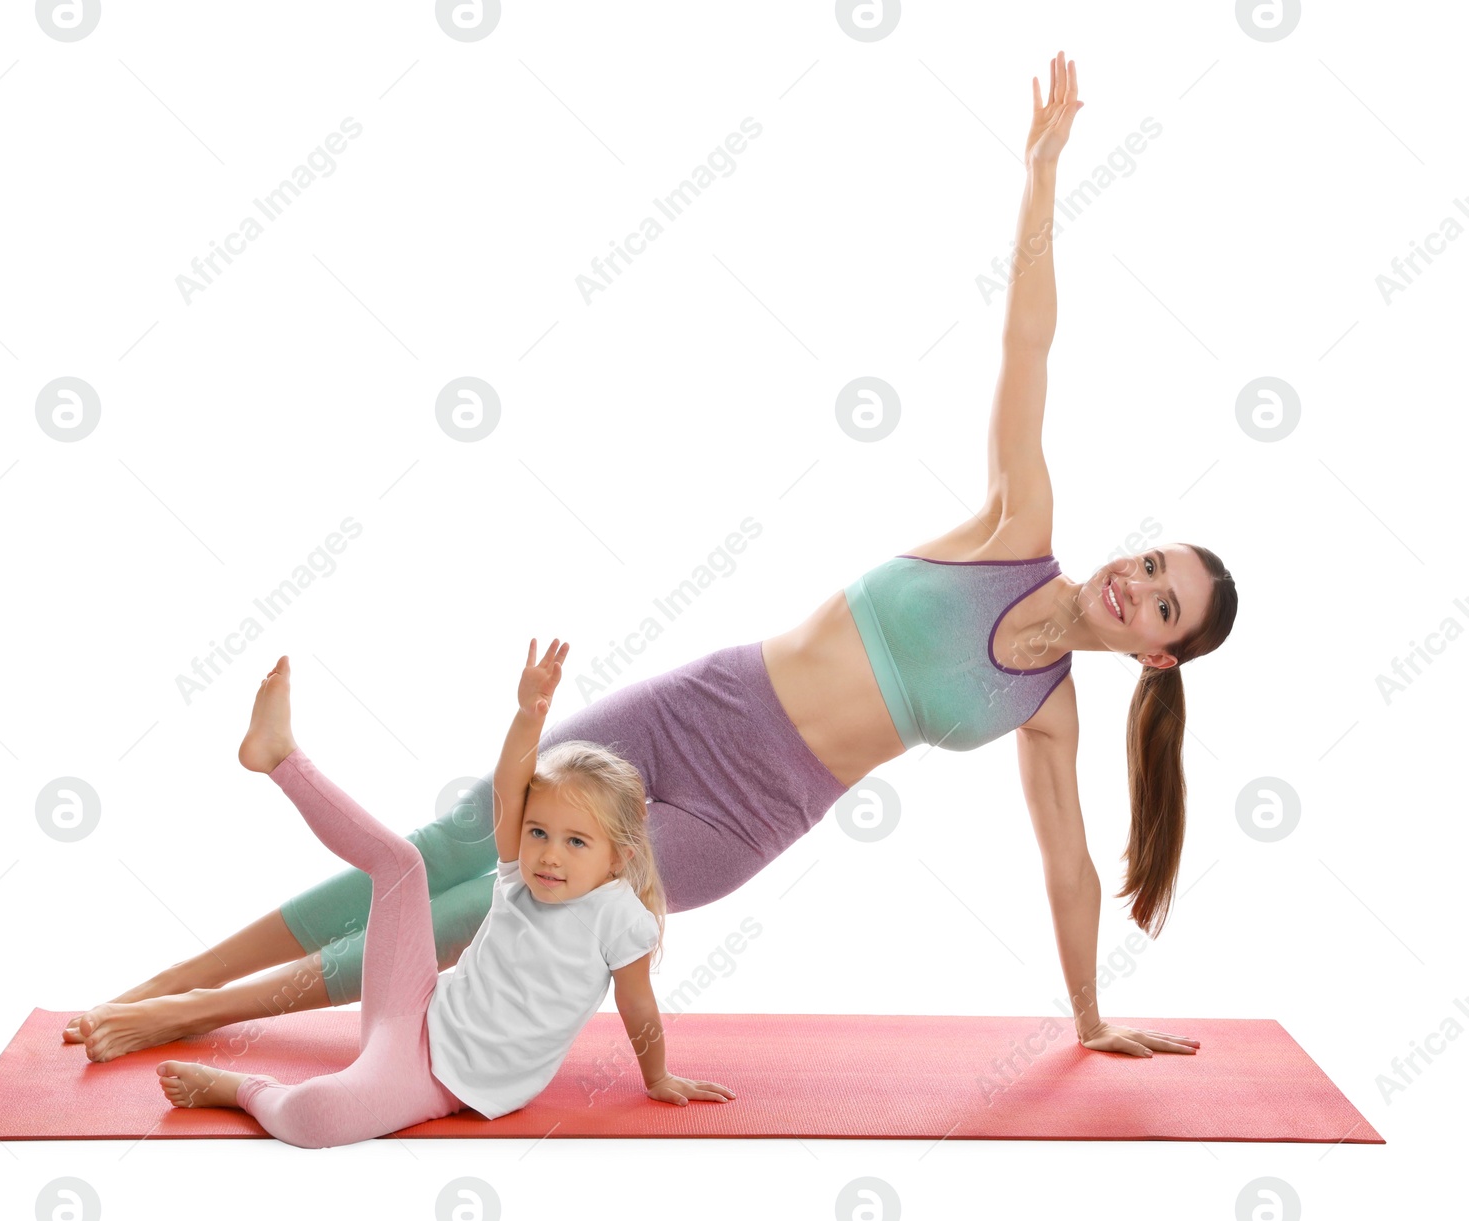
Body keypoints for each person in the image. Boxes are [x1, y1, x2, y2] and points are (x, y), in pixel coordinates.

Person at [72, 51, 1236, 1066]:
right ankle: (158, 988)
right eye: (1148, 563)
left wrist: (1087, 1021)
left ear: (1158, 659)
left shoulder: (1045, 712)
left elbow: (1069, 868)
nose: (1133, 582)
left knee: (501, 900)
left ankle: (191, 1019)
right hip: (696, 705)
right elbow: (1026, 338)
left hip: (743, 816)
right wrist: (1040, 176)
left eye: (1159, 604)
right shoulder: (1014, 528)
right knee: (453, 842)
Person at [154, 646, 732, 1146]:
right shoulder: (516, 878)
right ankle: (280, 757)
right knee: (403, 863)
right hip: (413, 1006)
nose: (549, 855)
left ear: (620, 856)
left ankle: (242, 1090)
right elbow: (510, 785)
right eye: (539, 833)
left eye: (576, 842)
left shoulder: (621, 919)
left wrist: (656, 1077)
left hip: (429, 1074)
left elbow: (638, 1007)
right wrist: (529, 717)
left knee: (314, 1118)